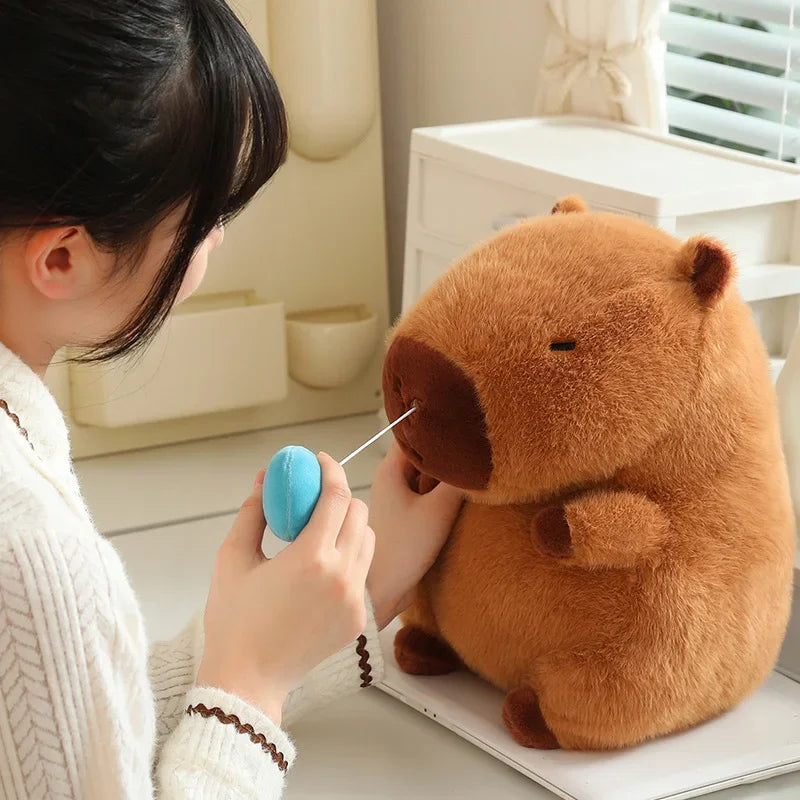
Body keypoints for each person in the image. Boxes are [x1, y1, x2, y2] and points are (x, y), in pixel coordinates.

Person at [0, 2, 464, 797]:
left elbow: (65, 730)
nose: (218, 240)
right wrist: (252, 681)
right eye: (206, 217)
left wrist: (352, 600)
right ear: (63, 258)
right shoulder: (27, 549)